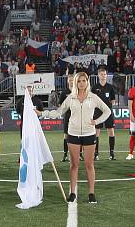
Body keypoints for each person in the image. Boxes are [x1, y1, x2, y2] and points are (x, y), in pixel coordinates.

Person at [37, 72, 112, 204]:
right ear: (75, 83)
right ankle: (72, 193)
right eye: (79, 81)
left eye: (84, 80)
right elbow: (59, 112)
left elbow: (108, 111)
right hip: (73, 134)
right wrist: (42, 113)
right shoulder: (70, 98)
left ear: (87, 82)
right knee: (74, 165)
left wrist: (97, 121)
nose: (81, 83)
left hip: (89, 134)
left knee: (89, 165)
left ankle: (91, 193)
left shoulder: (93, 97)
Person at [59, 78, 74, 162]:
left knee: (79, 135)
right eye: (70, 80)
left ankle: (80, 154)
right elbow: (60, 105)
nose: (71, 82)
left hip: (77, 116)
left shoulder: (78, 91)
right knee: (66, 135)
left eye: (73, 80)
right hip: (67, 116)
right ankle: (65, 154)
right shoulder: (64, 92)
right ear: (68, 81)